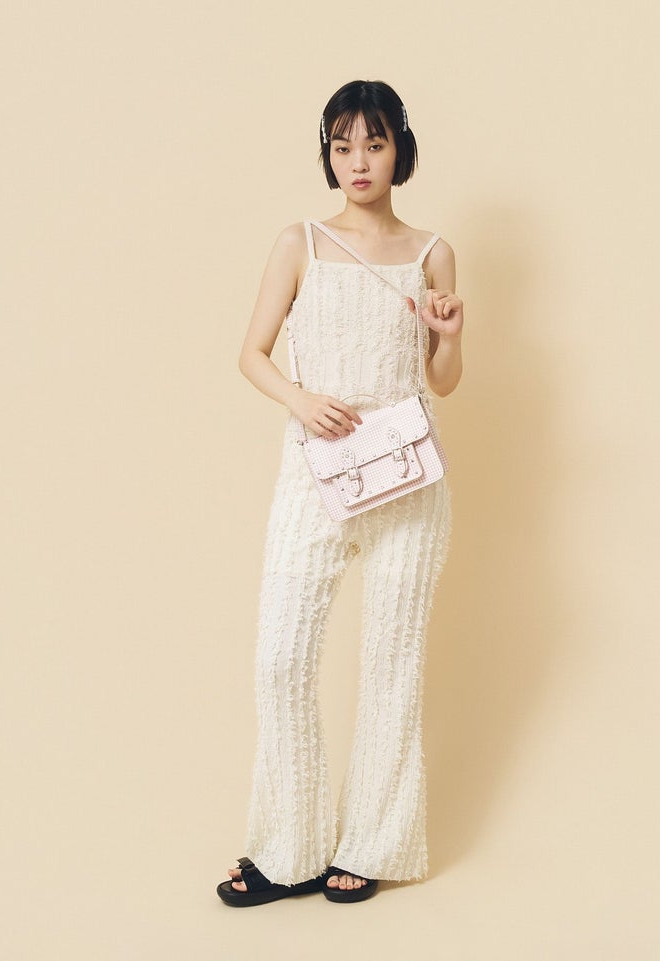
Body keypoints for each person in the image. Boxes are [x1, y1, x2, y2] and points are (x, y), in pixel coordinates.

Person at [217, 80, 464, 907]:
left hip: (408, 480)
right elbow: (251, 353)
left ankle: (370, 844)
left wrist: (449, 335)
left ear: (401, 150)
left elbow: (443, 381)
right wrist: (300, 399)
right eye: (343, 144)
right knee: (281, 658)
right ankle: (287, 847)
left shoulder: (433, 252)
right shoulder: (300, 242)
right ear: (328, 152)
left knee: (393, 663)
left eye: (375, 144)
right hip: (315, 471)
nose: (358, 161)